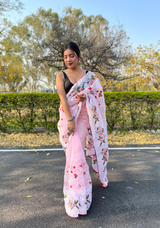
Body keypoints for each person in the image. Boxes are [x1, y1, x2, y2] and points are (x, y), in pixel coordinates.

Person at [56, 41, 109, 218]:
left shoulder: (90, 77)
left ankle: (79, 195)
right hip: (67, 117)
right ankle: (77, 186)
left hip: (84, 117)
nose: (68, 59)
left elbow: (98, 94)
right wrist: (70, 119)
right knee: (71, 154)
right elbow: (63, 100)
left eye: (71, 55)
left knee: (77, 151)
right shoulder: (60, 76)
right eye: (65, 57)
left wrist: (86, 95)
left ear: (78, 55)